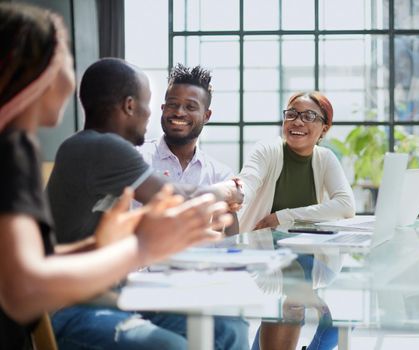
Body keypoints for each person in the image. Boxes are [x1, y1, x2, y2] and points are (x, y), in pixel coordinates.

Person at [0, 4, 230, 350]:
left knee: (225, 329)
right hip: (69, 305)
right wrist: (140, 247)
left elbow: (31, 264)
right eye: (65, 59)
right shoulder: (18, 152)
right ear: (39, 74)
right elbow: (22, 290)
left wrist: (100, 244)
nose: (73, 78)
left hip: (96, 293)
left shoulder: (22, 148)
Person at [46, 57, 248, 349]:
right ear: (130, 106)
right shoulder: (102, 147)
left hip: (113, 294)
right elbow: (176, 196)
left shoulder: (94, 147)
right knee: (172, 346)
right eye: (150, 104)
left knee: (227, 329)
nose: (152, 113)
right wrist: (226, 191)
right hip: (73, 307)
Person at [138, 63, 240, 235]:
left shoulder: (220, 175)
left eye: (190, 107)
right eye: (172, 104)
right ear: (163, 109)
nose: (179, 112)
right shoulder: (137, 156)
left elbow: (231, 242)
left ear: (206, 116)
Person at [238, 91, 356, 233]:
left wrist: (282, 217)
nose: (297, 122)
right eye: (291, 114)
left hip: (307, 249)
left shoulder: (325, 158)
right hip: (259, 249)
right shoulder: (266, 150)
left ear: (324, 130)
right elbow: (248, 182)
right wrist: (235, 192)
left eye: (308, 116)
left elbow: (346, 206)